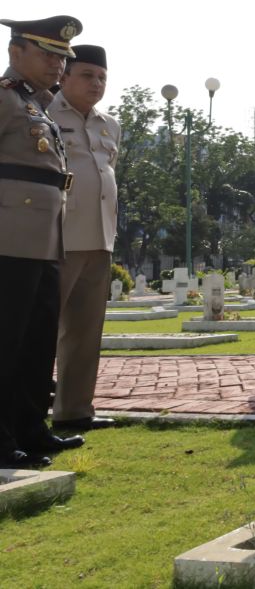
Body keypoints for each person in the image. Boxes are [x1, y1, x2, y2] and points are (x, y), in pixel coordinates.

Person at [0, 15, 86, 467]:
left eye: (62, 57)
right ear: (16, 52)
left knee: (37, 342)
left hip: (46, 240)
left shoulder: (38, 106)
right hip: (8, 242)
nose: (58, 65)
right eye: (48, 54)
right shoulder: (5, 99)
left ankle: (31, 429)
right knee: (6, 341)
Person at [49, 45, 120, 430]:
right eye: (87, 75)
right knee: (38, 331)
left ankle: (74, 411)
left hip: (99, 239)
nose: (96, 84)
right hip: (55, 239)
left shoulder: (109, 124)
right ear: (64, 77)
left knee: (85, 333)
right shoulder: (43, 114)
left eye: (102, 78)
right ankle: (21, 415)